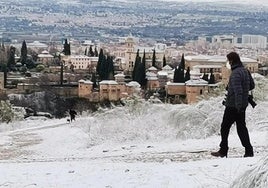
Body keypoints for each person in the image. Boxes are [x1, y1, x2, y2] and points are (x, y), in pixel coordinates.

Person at [211, 52, 254, 158]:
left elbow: (237, 90)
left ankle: (223, 150)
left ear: (231, 61)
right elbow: (252, 85)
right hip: (243, 104)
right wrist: (243, 98)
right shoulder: (245, 71)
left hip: (233, 105)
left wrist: (238, 104)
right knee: (241, 128)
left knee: (224, 127)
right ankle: (249, 151)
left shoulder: (235, 73)